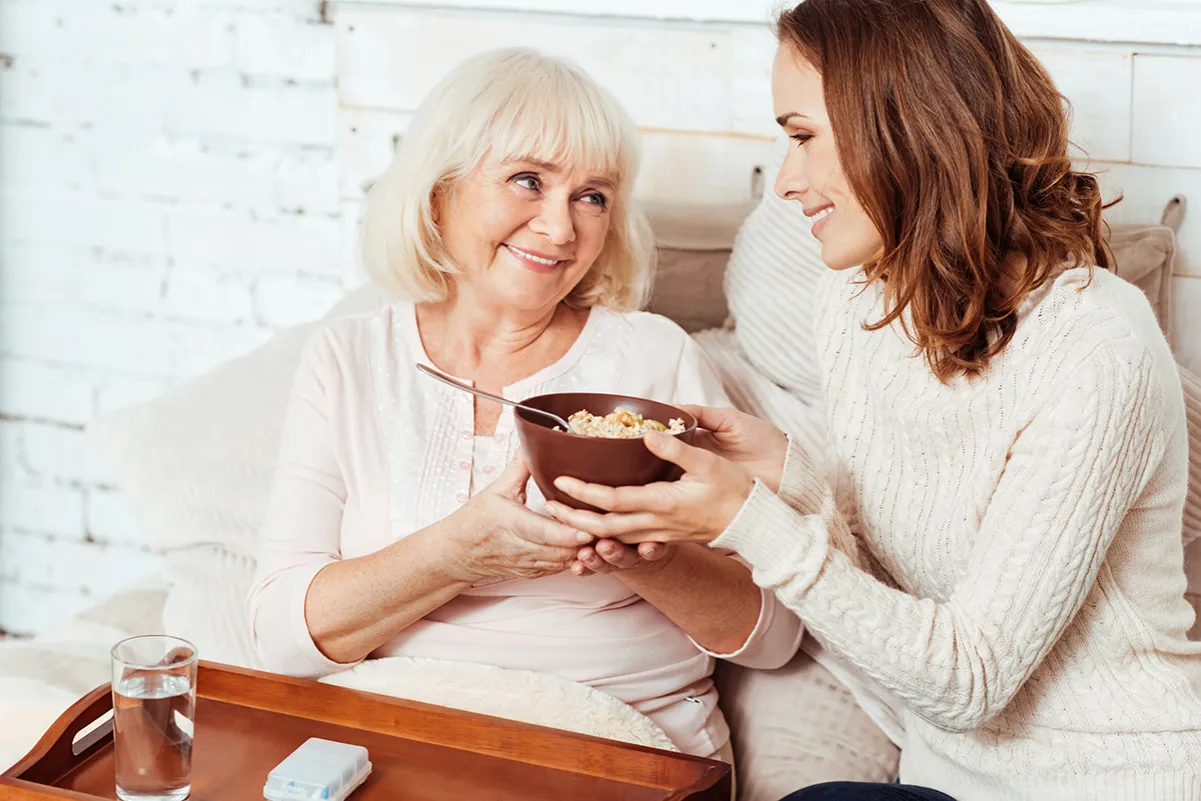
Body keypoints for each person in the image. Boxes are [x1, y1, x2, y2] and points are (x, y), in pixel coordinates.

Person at [546, 1, 1201, 798]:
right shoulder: (859, 303)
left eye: (801, 136)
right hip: (943, 779)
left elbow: (969, 679)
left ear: (904, 125)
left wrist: (748, 521)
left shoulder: (1097, 342)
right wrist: (788, 472)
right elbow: (891, 576)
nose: (786, 182)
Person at [246, 47, 802, 764]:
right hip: (398, 738)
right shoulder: (348, 358)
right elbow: (280, 636)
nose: (560, 227)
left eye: (591, 196)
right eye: (527, 181)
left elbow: (775, 634)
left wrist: (643, 558)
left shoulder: (651, 359)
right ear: (438, 190)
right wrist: (455, 554)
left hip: (608, 745)